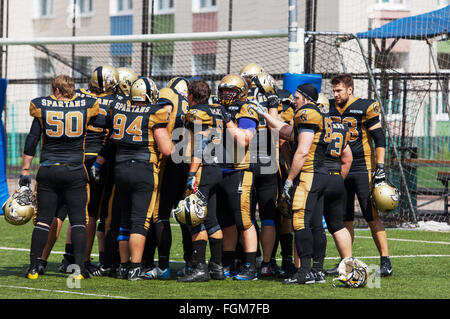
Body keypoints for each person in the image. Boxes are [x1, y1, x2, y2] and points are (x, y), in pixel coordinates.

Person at [250, 83, 353, 284]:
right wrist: (266, 115)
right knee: (316, 225)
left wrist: (289, 180)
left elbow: (303, 150)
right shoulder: (326, 118)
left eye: (297, 97)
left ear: (307, 99)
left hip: (311, 174)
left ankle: (304, 271)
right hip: (328, 175)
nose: (293, 101)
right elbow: (286, 130)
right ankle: (317, 270)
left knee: (299, 222)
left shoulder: (307, 113)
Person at [21, 74, 99, 280]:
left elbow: (32, 141)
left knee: (43, 221)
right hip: (75, 170)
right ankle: (79, 270)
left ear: (56, 90)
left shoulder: (42, 107)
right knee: (79, 221)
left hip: (48, 169)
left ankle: (33, 269)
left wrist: (25, 171)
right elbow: (103, 121)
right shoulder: (87, 106)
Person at [107, 77, 174, 280]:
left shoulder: (119, 109)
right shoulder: (154, 112)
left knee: (125, 220)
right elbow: (167, 149)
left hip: (120, 169)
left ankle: (123, 266)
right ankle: (136, 267)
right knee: (139, 222)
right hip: (143, 170)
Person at [326, 74, 392, 277]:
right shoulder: (329, 107)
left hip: (364, 168)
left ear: (350, 90)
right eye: (334, 91)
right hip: (341, 168)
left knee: (370, 214)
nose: (335, 94)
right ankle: (346, 262)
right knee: (344, 217)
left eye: (339, 90)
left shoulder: (365, 106)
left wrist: (380, 166)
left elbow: (379, 138)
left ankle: (385, 261)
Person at [177, 79, 225, 282]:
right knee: (212, 219)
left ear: (191, 96)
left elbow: (199, 145)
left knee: (194, 218)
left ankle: (200, 268)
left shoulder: (197, 113)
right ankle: (217, 267)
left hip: (203, 169)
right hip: (216, 168)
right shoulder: (217, 111)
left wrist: (191, 174)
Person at [143, 76, 191, 279]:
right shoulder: (191, 104)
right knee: (186, 217)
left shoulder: (167, 95)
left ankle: (163, 265)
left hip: (169, 162)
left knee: (159, 214)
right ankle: (191, 264)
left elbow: (163, 113)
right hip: (189, 163)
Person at [215, 74, 260, 280]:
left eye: (230, 90)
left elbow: (244, 140)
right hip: (219, 169)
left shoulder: (246, 108)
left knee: (244, 220)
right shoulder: (217, 107)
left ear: (241, 91)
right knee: (226, 222)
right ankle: (228, 261)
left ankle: (250, 265)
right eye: (223, 90)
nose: (226, 94)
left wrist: (227, 121)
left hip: (239, 170)